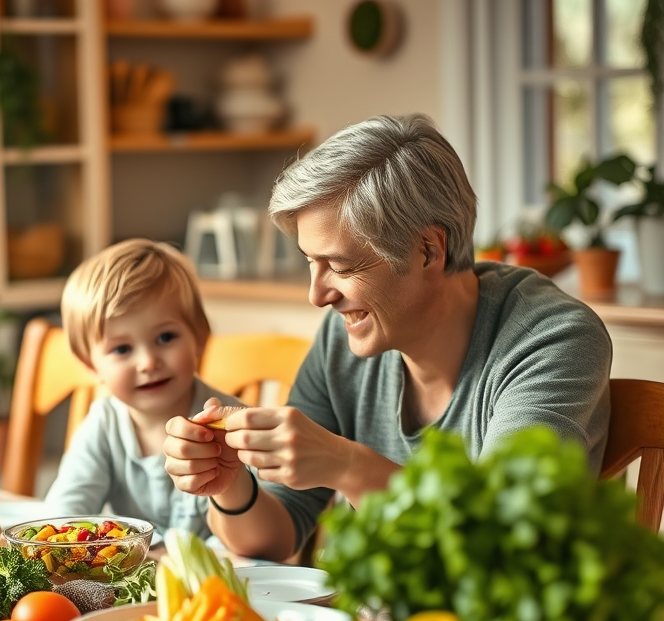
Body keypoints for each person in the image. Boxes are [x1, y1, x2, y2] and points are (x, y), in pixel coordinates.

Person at [162, 113, 613, 562]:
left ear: (428, 250)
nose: (317, 295)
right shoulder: (347, 338)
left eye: (340, 266)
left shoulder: (552, 341)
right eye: (310, 261)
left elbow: (503, 546)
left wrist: (347, 465)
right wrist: (231, 485)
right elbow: (276, 538)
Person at [43, 238, 244, 538]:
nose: (148, 363)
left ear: (199, 336)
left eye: (165, 338)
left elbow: (255, 543)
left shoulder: (228, 427)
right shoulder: (104, 424)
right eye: (122, 349)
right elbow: (64, 516)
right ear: (89, 364)